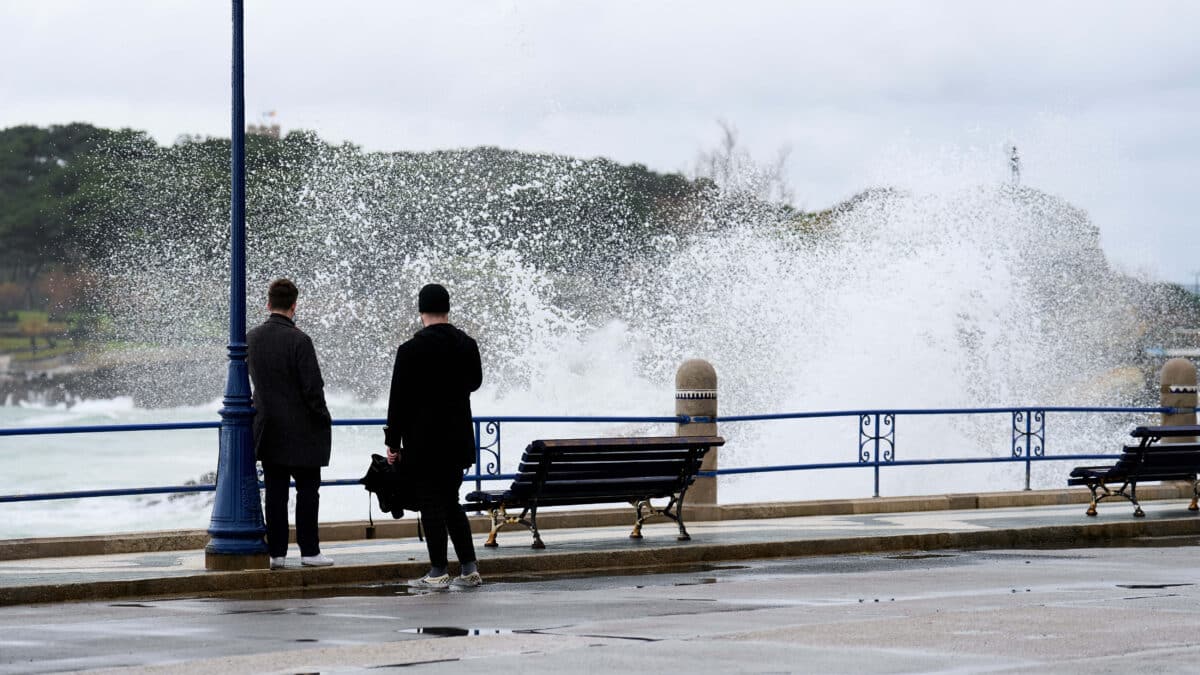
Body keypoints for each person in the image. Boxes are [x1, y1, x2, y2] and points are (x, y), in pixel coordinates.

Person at [386, 283, 483, 588]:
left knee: (430, 502)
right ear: (447, 309)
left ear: (421, 311)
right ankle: (469, 568)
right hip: (457, 440)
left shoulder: (410, 350)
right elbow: (474, 383)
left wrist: (393, 443)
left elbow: (397, 400)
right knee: (451, 501)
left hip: (423, 441)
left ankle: (438, 571)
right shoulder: (467, 345)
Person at [246, 278, 334, 570]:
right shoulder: (300, 340)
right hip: (303, 431)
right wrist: (323, 418)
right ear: (294, 306)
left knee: (275, 493)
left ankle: (277, 554)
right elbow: (313, 389)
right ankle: (309, 551)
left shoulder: (251, 338)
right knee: (308, 492)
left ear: (268, 303)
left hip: (269, 429)